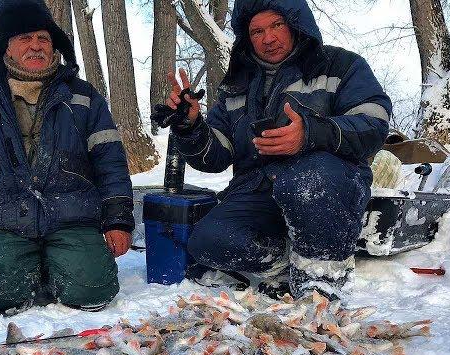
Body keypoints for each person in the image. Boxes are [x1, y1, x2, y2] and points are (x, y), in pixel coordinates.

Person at [165, 0, 392, 300]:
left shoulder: (341, 65)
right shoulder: (237, 85)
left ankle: (321, 277)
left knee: (305, 182)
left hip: (326, 182)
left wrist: (311, 133)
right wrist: (190, 126)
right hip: (258, 190)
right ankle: (288, 259)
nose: (268, 38)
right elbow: (216, 155)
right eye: (257, 30)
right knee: (206, 242)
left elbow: (373, 124)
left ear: (297, 23)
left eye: (276, 25)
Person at [0, 0, 134, 314]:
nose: (35, 46)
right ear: (7, 49)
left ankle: (59, 263)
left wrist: (117, 220)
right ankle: (28, 265)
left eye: (43, 38)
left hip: (72, 216)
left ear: (54, 47)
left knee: (94, 292)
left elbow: (110, 162)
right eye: (25, 39)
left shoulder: (85, 96)